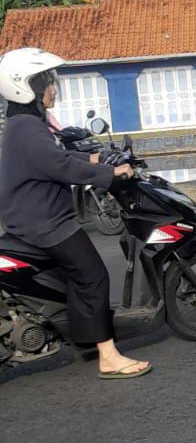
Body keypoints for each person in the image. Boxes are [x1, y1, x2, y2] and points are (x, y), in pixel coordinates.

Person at [0, 47, 152, 379]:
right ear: (25, 86)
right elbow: (58, 166)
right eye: (46, 82)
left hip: (34, 218)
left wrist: (97, 160)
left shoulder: (24, 123)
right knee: (93, 275)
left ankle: (82, 335)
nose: (53, 88)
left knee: (75, 277)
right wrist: (109, 174)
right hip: (45, 223)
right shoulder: (27, 127)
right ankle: (108, 356)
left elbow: (55, 159)